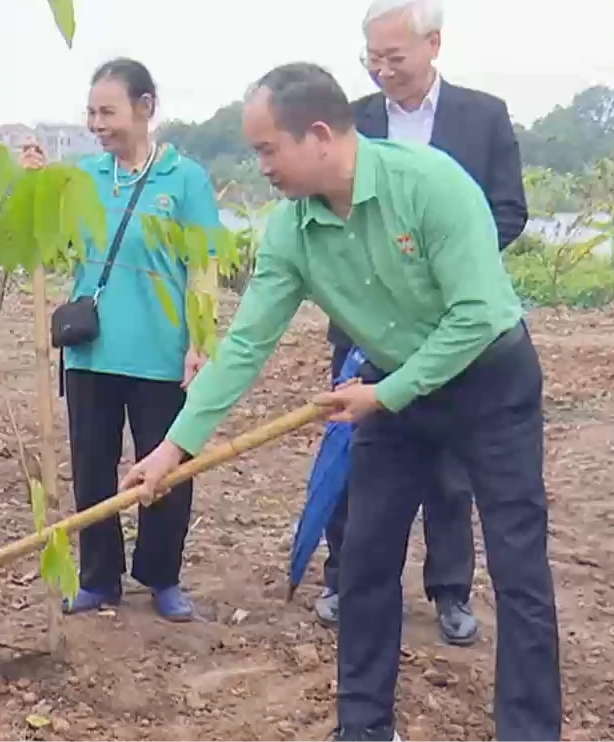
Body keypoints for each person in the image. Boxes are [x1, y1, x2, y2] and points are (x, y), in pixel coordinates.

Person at [125, 63, 561, 742]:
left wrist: (383, 394)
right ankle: (363, 727)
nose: (261, 166)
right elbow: (245, 345)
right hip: (390, 392)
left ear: (320, 135)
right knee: (364, 562)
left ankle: (530, 732)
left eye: (268, 149)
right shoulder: (291, 231)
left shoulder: (433, 186)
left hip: (486, 383)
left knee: (517, 567)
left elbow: (475, 317)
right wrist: (173, 447)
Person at [315, 0, 530, 643]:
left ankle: (449, 593)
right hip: (369, 327)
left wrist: (445, 266)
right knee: (358, 452)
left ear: (433, 44)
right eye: (371, 58)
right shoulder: (350, 121)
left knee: (448, 470)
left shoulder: (483, 117)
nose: (382, 69)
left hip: (455, 330)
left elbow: (508, 210)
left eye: (394, 55)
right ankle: (342, 578)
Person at [21, 59, 220, 622]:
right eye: (90, 112)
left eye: (107, 111)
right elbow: (44, 235)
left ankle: (161, 577)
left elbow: (202, 266)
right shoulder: (83, 177)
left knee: (168, 467)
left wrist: (200, 339)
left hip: (161, 353)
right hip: (91, 350)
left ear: (146, 108)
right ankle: (98, 577)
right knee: (92, 464)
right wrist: (36, 183)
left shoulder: (185, 181)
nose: (96, 123)